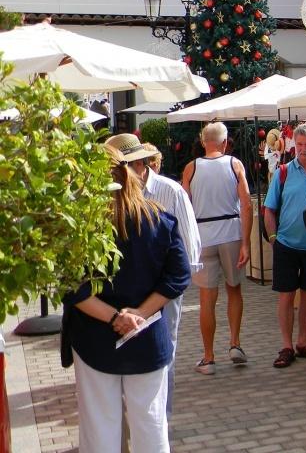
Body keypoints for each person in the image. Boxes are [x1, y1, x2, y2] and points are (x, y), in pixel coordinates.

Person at [64, 144, 190, 453]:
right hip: (147, 335)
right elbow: (179, 275)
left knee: (99, 428)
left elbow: (70, 287)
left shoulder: (81, 230)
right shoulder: (160, 221)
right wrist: (140, 314)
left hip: (93, 338)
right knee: (151, 426)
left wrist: (116, 317)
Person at [106, 134, 201, 418]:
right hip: (124, 292)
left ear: (141, 164)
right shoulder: (108, 196)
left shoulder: (169, 191)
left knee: (163, 351)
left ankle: (161, 416)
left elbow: (188, 242)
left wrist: (175, 287)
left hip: (163, 290)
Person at [182, 122, 252, 375]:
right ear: (225, 142)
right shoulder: (235, 165)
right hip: (231, 231)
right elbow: (246, 204)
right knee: (234, 289)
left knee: (206, 299)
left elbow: (184, 207)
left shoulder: (191, 168)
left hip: (203, 235)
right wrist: (246, 242)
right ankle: (235, 343)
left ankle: (208, 357)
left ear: (203, 142)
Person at [263, 123, 306, 369]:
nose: (304, 149)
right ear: (294, 145)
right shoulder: (284, 172)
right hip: (286, 244)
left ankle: (303, 341)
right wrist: (273, 238)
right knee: (286, 296)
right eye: (300, 144)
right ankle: (287, 345)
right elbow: (269, 209)